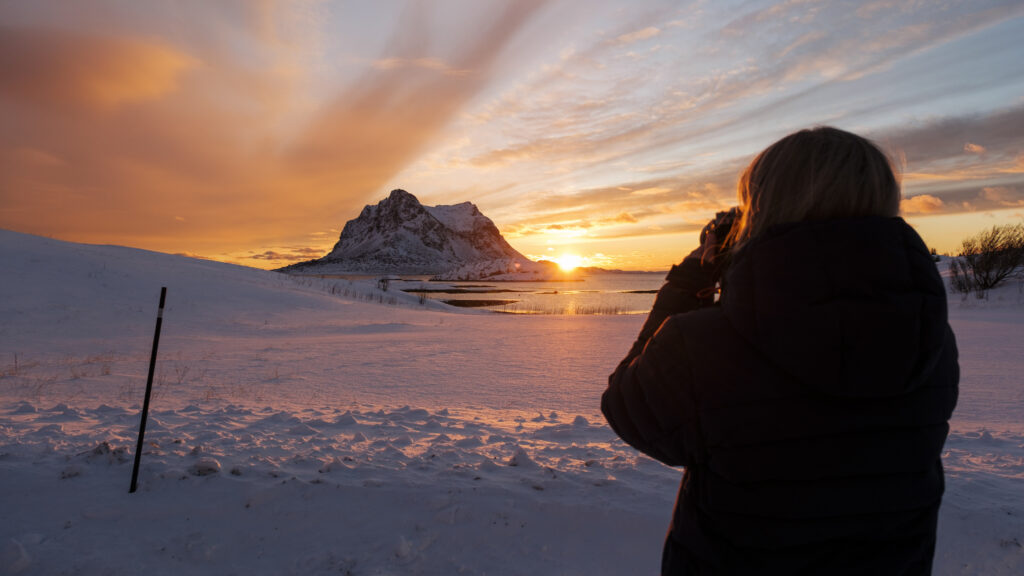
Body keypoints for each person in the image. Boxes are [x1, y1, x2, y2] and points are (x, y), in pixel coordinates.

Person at [602, 126, 958, 575]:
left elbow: (626, 407)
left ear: (763, 206)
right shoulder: (930, 339)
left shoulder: (703, 345)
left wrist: (692, 279)